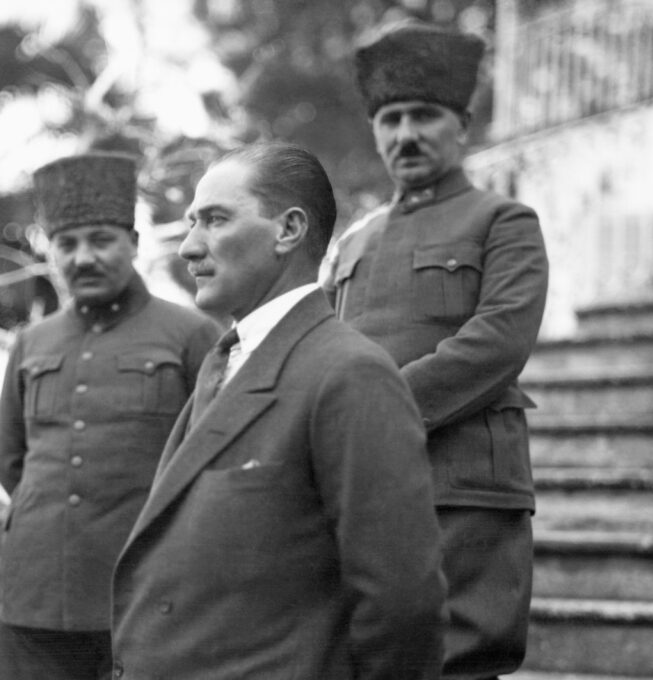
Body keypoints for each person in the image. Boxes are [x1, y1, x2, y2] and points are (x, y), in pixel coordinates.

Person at [111, 142, 447, 680]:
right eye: (192, 223)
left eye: (216, 220)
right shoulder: (226, 362)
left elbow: (401, 601)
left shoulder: (349, 373)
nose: (189, 248)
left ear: (288, 230)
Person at [322, 21, 550, 680]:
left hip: (462, 487)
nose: (405, 134)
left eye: (424, 115)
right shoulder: (354, 241)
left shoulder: (503, 221)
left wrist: (379, 411)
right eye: (390, 119)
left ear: (463, 124)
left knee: (457, 663)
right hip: (361, 485)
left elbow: (498, 341)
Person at [0, 152, 219, 680]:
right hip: (35, 601)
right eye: (66, 244)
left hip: (147, 597)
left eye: (101, 240)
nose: (83, 258)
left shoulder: (190, 335)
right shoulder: (31, 342)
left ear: (134, 245)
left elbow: (212, 462)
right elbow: (11, 463)